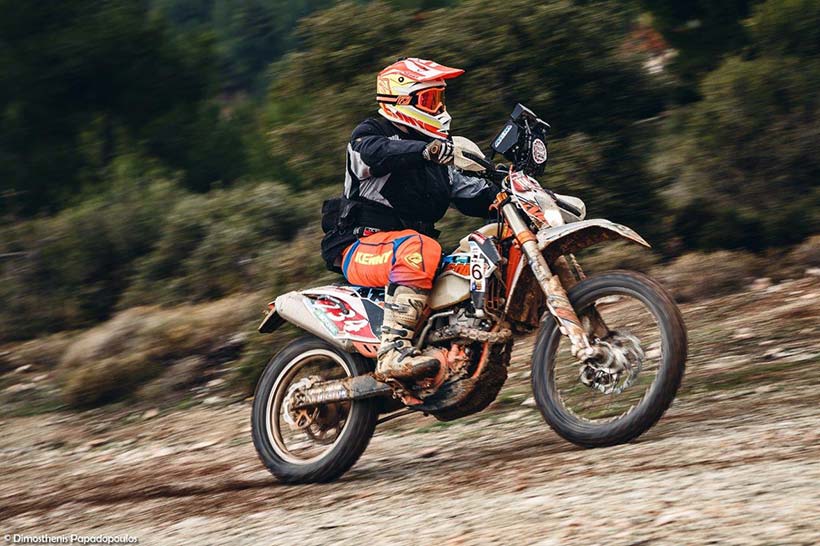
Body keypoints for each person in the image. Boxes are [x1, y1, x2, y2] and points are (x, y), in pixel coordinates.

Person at [321, 57, 497, 381]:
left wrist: (509, 193)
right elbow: (375, 152)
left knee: (478, 252)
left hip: (405, 251)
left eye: (440, 99)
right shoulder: (369, 135)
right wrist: (426, 151)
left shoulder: (439, 158)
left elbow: (475, 195)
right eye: (430, 100)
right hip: (359, 246)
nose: (438, 108)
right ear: (401, 101)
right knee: (422, 248)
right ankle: (392, 351)